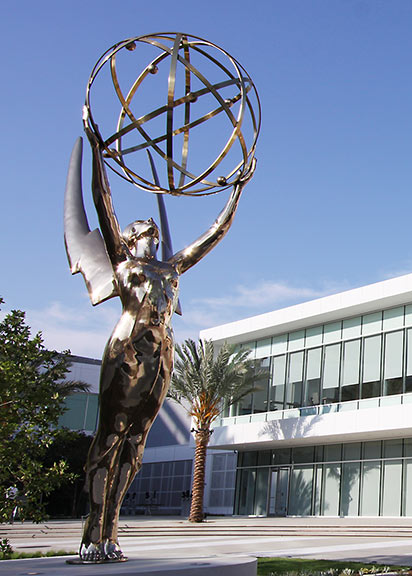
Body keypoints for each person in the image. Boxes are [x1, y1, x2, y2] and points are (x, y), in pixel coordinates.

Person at [66, 127, 251, 563]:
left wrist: (236, 191)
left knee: (134, 447)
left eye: (154, 231)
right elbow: (102, 201)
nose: (152, 235)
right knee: (110, 439)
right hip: (127, 349)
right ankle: (92, 534)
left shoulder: (171, 269)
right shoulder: (123, 263)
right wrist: (97, 150)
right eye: (145, 231)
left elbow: (213, 235)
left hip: (161, 357)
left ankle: (112, 533)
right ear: (131, 239)